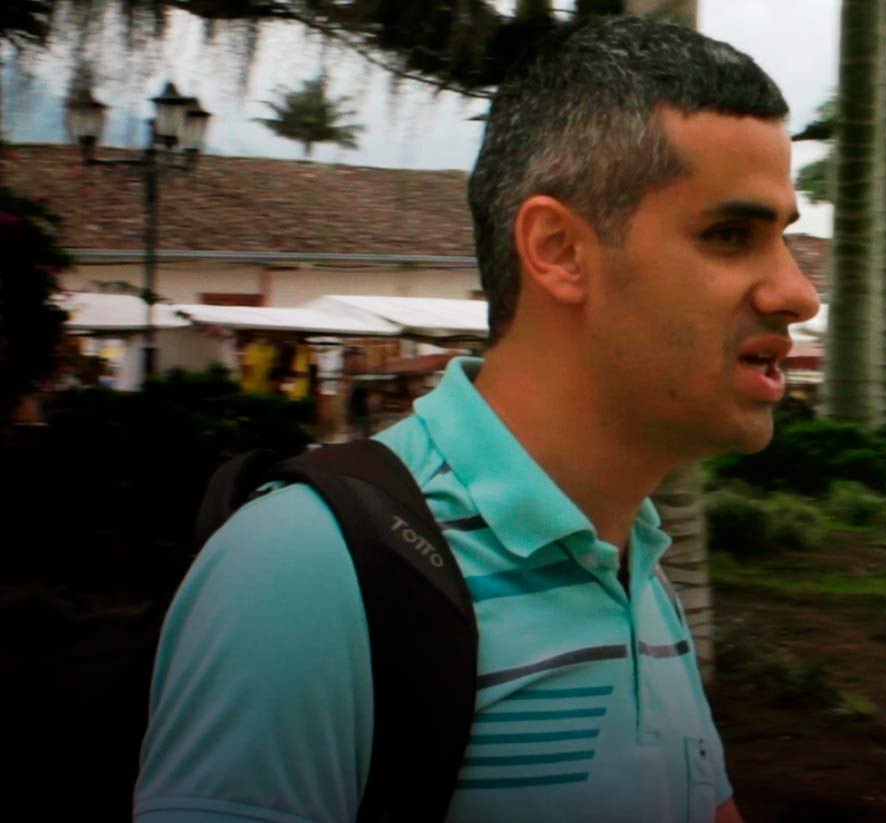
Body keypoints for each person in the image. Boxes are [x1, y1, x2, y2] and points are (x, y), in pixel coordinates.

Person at [135, 17, 815, 823]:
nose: (798, 292)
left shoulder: (635, 566)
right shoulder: (306, 570)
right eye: (731, 235)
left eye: (782, 237)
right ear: (560, 250)